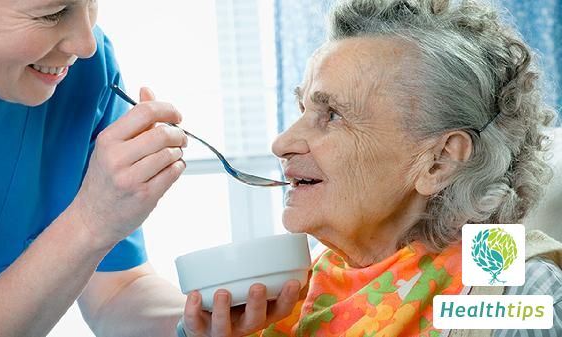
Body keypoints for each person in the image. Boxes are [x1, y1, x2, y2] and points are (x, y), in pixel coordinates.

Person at [181, 0, 562, 336]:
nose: (281, 144)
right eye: (304, 110)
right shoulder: (293, 283)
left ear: (439, 161)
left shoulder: (509, 284)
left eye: (332, 115)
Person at [0, 0, 301, 336]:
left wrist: (191, 324)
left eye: (91, 4)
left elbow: (116, 290)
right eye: (52, 13)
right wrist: (91, 221)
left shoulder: (86, 74)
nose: (86, 44)